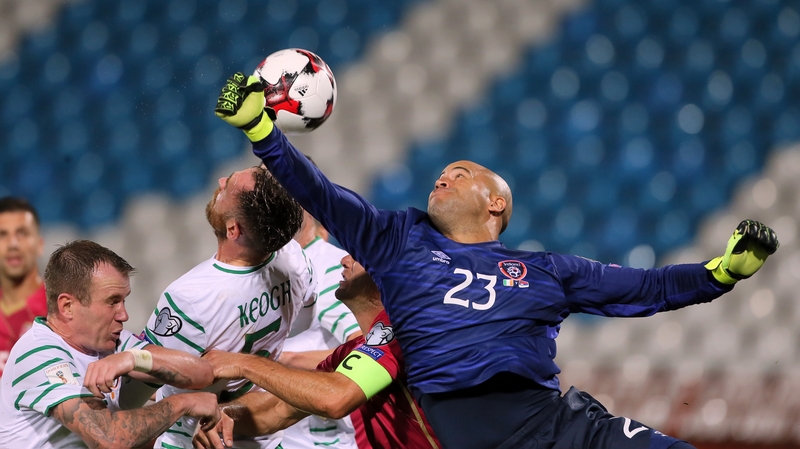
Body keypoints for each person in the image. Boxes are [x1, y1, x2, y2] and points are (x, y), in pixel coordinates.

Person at [213, 73, 780, 449]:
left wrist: (720, 273)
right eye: (443, 170)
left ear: (496, 203)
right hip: (476, 428)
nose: (445, 175)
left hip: (557, 424)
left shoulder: (547, 272)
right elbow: (323, 194)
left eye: (463, 173)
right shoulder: (397, 238)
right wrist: (262, 132)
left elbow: (646, 287)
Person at [143, 165, 317, 449]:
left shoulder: (190, 296)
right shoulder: (295, 259)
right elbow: (303, 325)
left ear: (233, 229)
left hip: (194, 441)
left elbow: (138, 388)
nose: (220, 181)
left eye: (228, 188)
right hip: (265, 437)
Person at [194, 254, 441, 449]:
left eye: (358, 255)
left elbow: (334, 399)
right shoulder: (351, 352)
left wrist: (244, 364)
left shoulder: (403, 328)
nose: (345, 260)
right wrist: (224, 413)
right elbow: (279, 409)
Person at [0, 239, 220, 449]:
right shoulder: (39, 353)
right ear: (67, 306)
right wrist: (183, 404)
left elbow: (202, 373)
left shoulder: (114, 343)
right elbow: (109, 439)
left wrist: (133, 358)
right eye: (112, 302)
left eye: (124, 301)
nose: (124, 315)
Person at [280, 201, 361, 449]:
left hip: (318, 441)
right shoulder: (271, 267)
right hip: (275, 434)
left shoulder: (330, 267)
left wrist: (277, 360)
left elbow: (366, 349)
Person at [0, 196, 47, 377]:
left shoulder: (61, 311)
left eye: (22, 233)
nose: (13, 244)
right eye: (2, 235)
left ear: (40, 245)